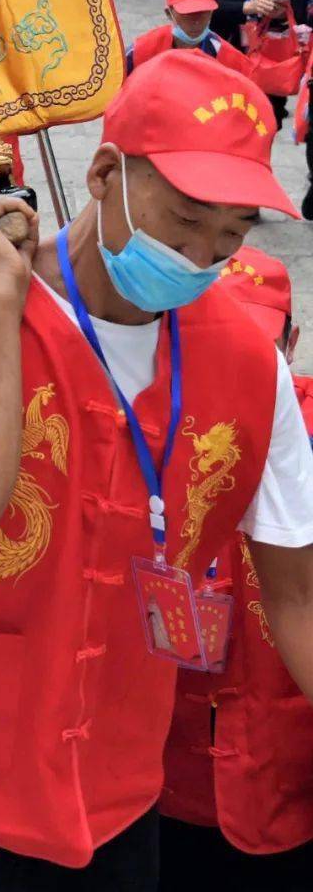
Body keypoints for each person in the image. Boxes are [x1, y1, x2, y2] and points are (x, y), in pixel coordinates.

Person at [0, 51, 313, 890]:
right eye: (184, 220)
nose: (203, 254)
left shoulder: (252, 366)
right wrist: (2, 298)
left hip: (116, 779)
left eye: (232, 233)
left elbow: (298, 593)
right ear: (105, 173)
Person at [160, 246, 313, 888]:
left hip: (291, 781)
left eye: (258, 353)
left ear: (292, 341)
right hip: (164, 783)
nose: (238, 377)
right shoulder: (135, 424)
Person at [123, 0, 260, 77]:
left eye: (203, 12)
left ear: (212, 12)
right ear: (168, 13)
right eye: (188, 13)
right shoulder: (141, 51)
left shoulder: (230, 59)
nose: (196, 21)